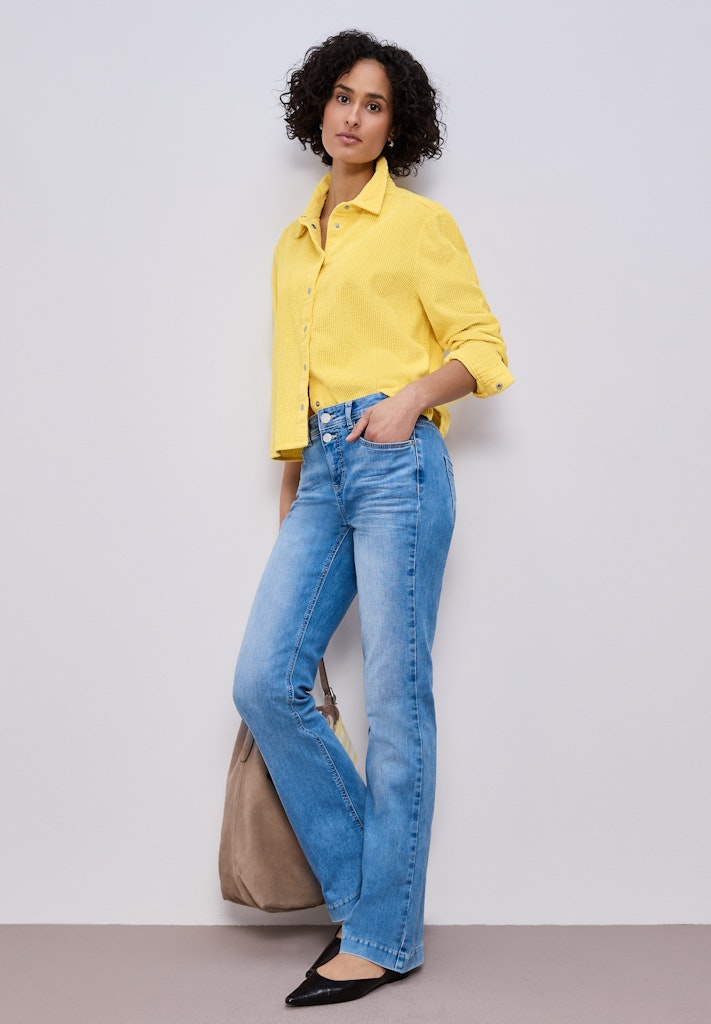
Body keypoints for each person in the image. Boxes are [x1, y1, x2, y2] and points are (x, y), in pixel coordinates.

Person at [233, 29, 514, 1008]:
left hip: (397, 463)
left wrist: (407, 402)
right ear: (318, 104)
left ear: (398, 127)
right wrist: (293, 484)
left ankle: (379, 936)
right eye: (342, 97)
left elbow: (483, 347)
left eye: (375, 104)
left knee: (396, 701)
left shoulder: (418, 224)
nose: (353, 116)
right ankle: (376, 909)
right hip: (319, 473)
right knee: (265, 680)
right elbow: (294, 378)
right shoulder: (293, 241)